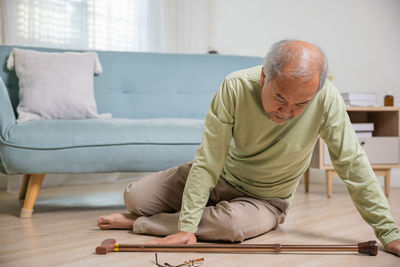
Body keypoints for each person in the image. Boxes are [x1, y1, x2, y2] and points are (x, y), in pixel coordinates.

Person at [97, 40, 400, 256]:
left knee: (231, 227)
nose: (288, 111)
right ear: (264, 76)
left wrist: (389, 233)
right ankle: (172, 216)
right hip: (221, 177)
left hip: (266, 200)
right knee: (134, 195)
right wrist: (187, 225)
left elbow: (353, 165)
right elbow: (209, 160)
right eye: (280, 98)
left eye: (301, 104)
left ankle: (143, 222)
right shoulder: (236, 86)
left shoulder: (327, 99)